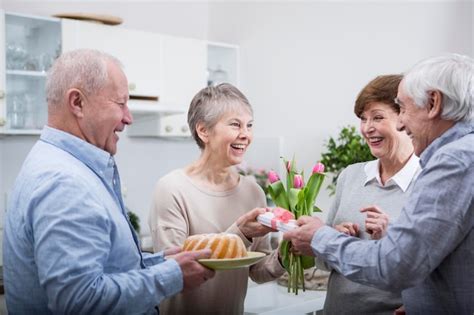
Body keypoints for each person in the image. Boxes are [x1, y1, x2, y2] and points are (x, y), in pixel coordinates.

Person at [2, 49, 215, 314]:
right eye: (121, 103)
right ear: (77, 103)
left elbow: (108, 271)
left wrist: (163, 262)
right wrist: (173, 276)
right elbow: (79, 302)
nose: (129, 117)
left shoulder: (62, 164)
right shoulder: (64, 183)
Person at [284, 53, 474, 314]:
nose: (401, 122)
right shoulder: (464, 155)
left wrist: (320, 236)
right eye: (364, 118)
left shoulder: (453, 161)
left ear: (433, 103)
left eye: (404, 109)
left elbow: (397, 265)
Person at [148, 83, 285, 315]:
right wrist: (241, 233)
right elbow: (177, 271)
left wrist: (288, 254)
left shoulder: (253, 192)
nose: (246, 135)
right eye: (235, 124)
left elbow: (258, 270)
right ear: (204, 131)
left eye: (249, 125)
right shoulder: (171, 189)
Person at [317, 74, 420, 314]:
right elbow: (321, 262)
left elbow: (438, 271)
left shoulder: (429, 182)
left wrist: (389, 237)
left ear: (405, 118)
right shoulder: (350, 176)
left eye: (378, 117)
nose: (366, 128)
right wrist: (331, 237)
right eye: (363, 119)